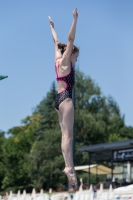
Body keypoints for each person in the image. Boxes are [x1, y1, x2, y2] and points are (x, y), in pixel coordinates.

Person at [48, 8, 79, 186]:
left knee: (64, 136)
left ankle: (68, 166)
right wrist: (75, 19)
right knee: (68, 136)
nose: (76, 59)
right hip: (66, 99)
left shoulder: (57, 60)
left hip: (57, 100)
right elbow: (69, 40)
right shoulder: (66, 61)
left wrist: (52, 26)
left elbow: (56, 41)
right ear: (71, 53)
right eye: (76, 56)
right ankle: (69, 167)